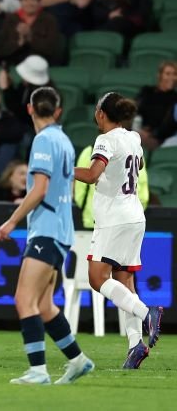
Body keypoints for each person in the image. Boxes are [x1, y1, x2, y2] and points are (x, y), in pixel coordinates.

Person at [0, 87, 94, 385]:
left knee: (24, 300)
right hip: (61, 230)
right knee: (45, 305)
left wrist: (12, 221)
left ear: (29, 109)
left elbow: (39, 188)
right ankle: (78, 360)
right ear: (58, 111)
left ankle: (38, 370)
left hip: (46, 231)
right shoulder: (64, 140)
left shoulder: (43, 140)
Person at [74, 92, 164, 369]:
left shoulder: (105, 140)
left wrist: (64, 168)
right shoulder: (134, 138)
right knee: (125, 283)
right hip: (135, 215)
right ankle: (135, 345)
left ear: (101, 113)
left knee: (96, 278)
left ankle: (145, 312)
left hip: (114, 218)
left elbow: (91, 175)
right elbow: (138, 166)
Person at [0, 0, 63, 66]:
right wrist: (18, 43)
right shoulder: (10, 20)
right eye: (25, 0)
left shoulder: (49, 20)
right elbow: (0, 50)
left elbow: (52, 50)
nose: (29, 3)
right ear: (20, 2)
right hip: (14, 64)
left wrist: (30, 37)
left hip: (41, 65)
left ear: (39, 2)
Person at [0, 55, 53, 131]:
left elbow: (21, 115)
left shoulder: (43, 94)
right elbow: (17, 101)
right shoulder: (26, 85)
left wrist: (6, 89)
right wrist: (10, 86)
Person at [136, 61, 177, 150]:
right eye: (168, 74)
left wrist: (152, 133)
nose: (172, 78)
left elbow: (169, 125)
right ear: (160, 75)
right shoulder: (147, 91)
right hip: (138, 130)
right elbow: (136, 109)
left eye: (174, 74)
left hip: (157, 138)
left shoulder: (175, 98)